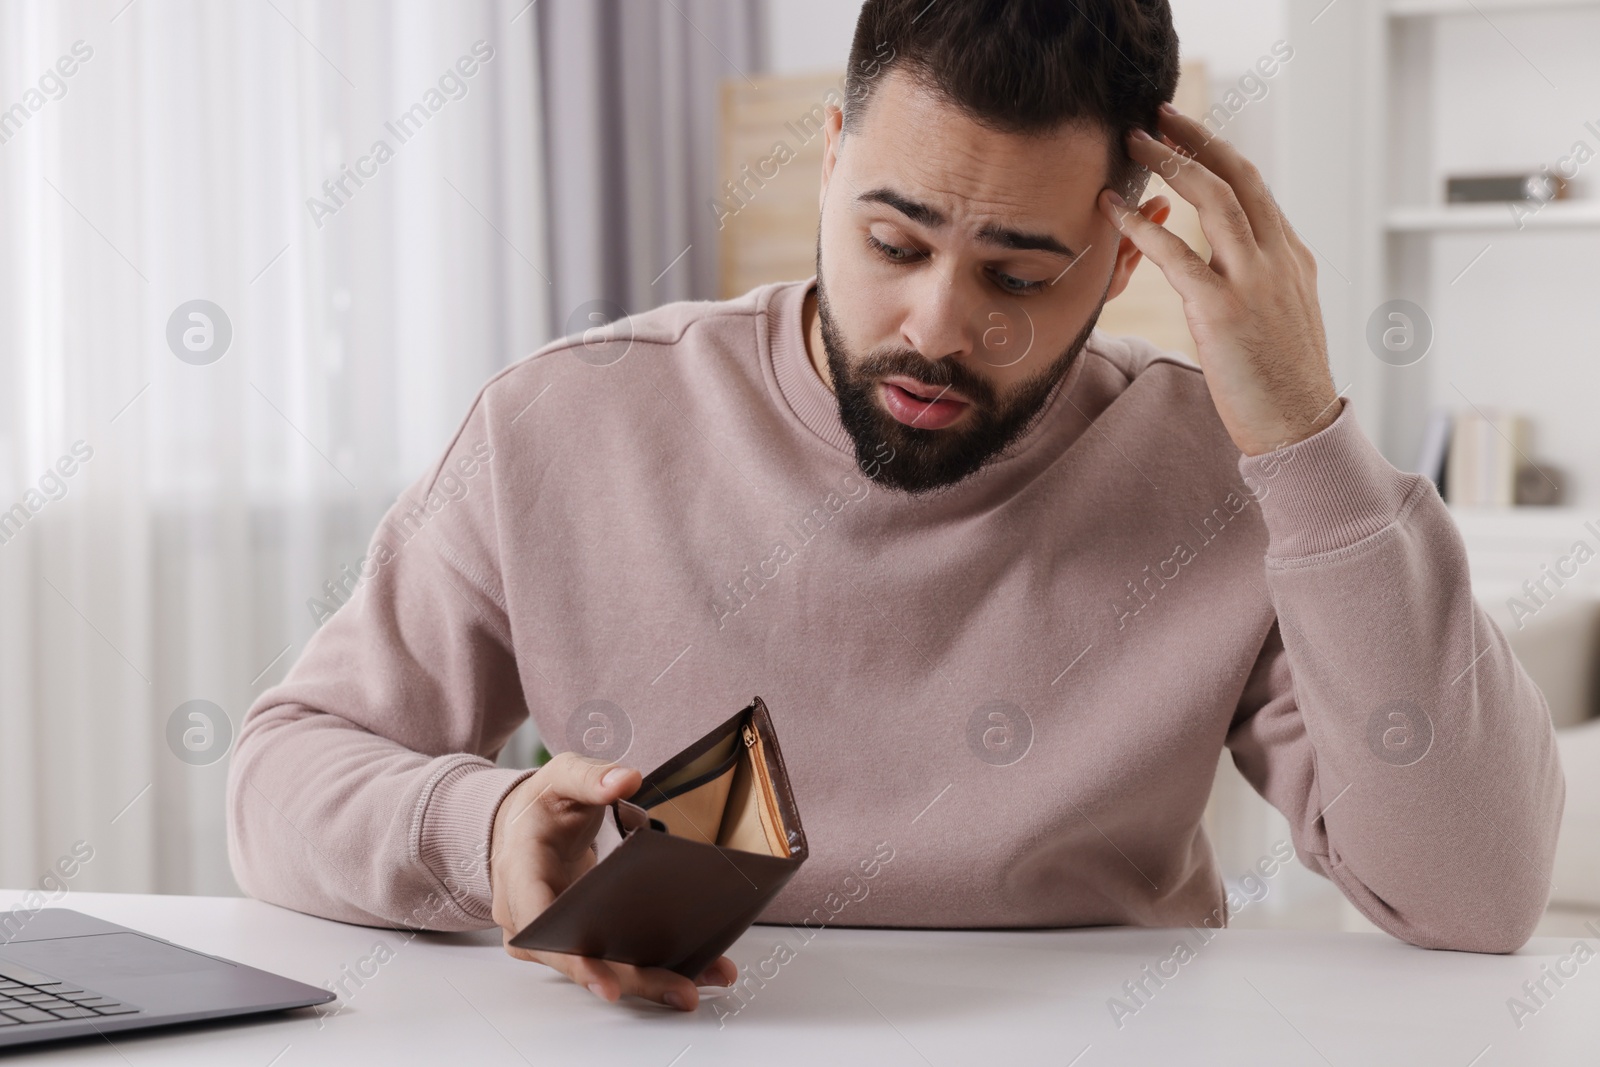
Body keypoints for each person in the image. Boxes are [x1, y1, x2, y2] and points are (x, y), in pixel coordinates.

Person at [227, 0, 1564, 1014]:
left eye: (1022, 273)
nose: (937, 327)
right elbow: (281, 781)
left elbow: (1476, 890)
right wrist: (488, 827)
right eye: (893, 241)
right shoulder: (562, 425)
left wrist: (1307, 438)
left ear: (1127, 246)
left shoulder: (1222, 470)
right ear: (826, 162)